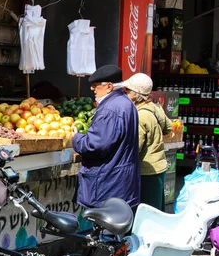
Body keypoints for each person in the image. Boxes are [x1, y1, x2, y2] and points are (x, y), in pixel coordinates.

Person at [71, 64, 141, 210]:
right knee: (117, 229)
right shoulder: (126, 103)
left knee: (106, 230)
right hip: (121, 185)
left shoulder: (110, 109)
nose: (92, 89)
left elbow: (95, 145)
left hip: (108, 186)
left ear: (109, 86)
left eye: (95, 85)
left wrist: (76, 137)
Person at [122, 73, 172, 211]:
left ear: (136, 95)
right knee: (156, 209)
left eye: (127, 91)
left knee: (147, 212)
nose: (125, 94)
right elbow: (168, 127)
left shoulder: (140, 115)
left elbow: (135, 147)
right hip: (159, 166)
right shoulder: (155, 108)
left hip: (147, 171)